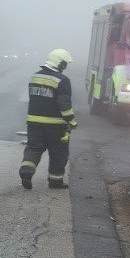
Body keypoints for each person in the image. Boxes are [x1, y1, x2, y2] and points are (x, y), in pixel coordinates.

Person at [20, 49, 77, 190]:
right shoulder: (62, 80)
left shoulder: (34, 77)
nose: (65, 67)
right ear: (60, 63)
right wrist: (71, 121)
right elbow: (64, 104)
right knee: (58, 153)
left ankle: (26, 171)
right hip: (56, 126)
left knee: (33, 148)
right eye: (65, 64)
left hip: (33, 123)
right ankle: (55, 181)